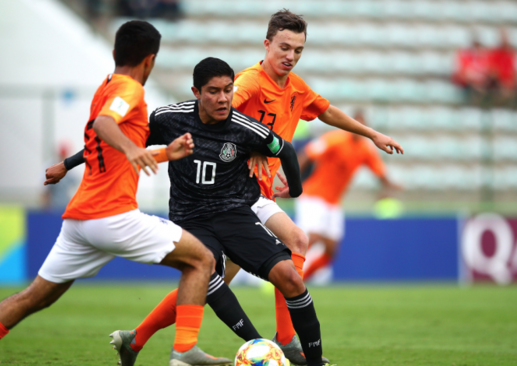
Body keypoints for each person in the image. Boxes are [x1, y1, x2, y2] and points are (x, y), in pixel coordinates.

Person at [0, 21, 231, 366]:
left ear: (114, 53)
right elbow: (104, 126)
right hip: (113, 217)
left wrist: (161, 153)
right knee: (202, 260)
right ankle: (184, 351)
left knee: (35, 296)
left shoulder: (105, 87)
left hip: (80, 220)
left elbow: (109, 150)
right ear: (150, 61)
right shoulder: (130, 91)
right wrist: (132, 149)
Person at [51, 57, 332, 366]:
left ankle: (312, 360)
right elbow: (114, 142)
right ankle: (261, 346)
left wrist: (295, 189)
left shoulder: (244, 128)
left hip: (235, 214)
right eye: (213, 91)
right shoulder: (169, 119)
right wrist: (67, 165)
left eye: (228, 90)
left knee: (289, 277)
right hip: (191, 219)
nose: (223, 98)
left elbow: (286, 150)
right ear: (196, 92)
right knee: (207, 275)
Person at [225, 9, 403, 363]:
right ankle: (162, 341)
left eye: (298, 51)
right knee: (212, 276)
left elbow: (327, 111)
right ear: (267, 44)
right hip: (231, 192)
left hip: (259, 192)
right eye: (284, 47)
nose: (290, 56)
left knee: (274, 253)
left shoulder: (295, 88)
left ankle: (285, 338)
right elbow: (221, 110)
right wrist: (257, 144)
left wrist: (371, 135)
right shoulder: (249, 81)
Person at [295, 111, 402, 281]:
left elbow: (379, 172)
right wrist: (293, 180)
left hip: (333, 202)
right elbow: (307, 154)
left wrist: (391, 184)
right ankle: (283, 273)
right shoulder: (335, 139)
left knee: (331, 250)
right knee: (311, 238)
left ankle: (299, 280)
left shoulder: (364, 150)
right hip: (313, 196)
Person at [451, 36, 490, 105]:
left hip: (480, 85)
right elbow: (463, 74)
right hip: (467, 86)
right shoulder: (465, 57)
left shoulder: (483, 60)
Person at [489, 29, 516, 106]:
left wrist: (511, 82)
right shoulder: (494, 53)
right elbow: (492, 72)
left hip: (510, 84)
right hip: (499, 85)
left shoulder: (512, 53)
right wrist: (503, 82)